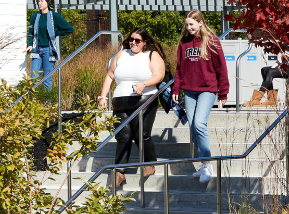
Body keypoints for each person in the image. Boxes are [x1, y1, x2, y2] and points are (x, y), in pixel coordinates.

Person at [98, 28, 167, 187]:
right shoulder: (122, 54)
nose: (133, 42)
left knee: (141, 134)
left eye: (137, 40)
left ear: (145, 42)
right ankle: (119, 172)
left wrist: (144, 84)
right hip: (120, 101)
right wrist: (103, 96)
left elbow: (159, 75)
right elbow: (110, 76)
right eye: (131, 39)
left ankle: (149, 163)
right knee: (123, 136)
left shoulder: (151, 55)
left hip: (144, 100)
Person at [172, 10, 229, 183]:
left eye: (192, 24)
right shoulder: (184, 42)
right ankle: (203, 164)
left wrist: (223, 91)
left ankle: (207, 164)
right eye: (187, 24)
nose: (189, 27)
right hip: (189, 90)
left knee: (199, 123)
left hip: (208, 89)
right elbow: (179, 68)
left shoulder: (212, 41)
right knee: (192, 127)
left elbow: (221, 67)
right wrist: (176, 89)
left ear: (200, 23)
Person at [24, 0, 73, 90]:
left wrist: (55, 32)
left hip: (49, 51)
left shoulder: (54, 16)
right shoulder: (35, 16)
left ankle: (47, 104)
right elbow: (30, 33)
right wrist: (30, 45)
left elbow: (69, 29)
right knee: (33, 79)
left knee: (47, 80)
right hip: (36, 50)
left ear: (48, 2)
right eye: (39, 1)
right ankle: (33, 103)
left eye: (42, 1)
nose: (39, 3)